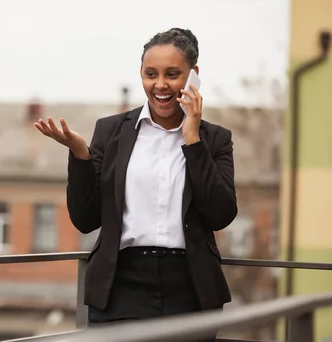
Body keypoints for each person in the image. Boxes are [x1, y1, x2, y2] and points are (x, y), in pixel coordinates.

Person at [34, 28, 237, 341]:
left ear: (193, 76)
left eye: (173, 74)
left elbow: (221, 214)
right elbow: (86, 220)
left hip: (190, 288)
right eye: (150, 74)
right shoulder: (110, 132)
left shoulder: (215, 139)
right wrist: (80, 156)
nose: (160, 85)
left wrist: (193, 139)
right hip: (120, 287)